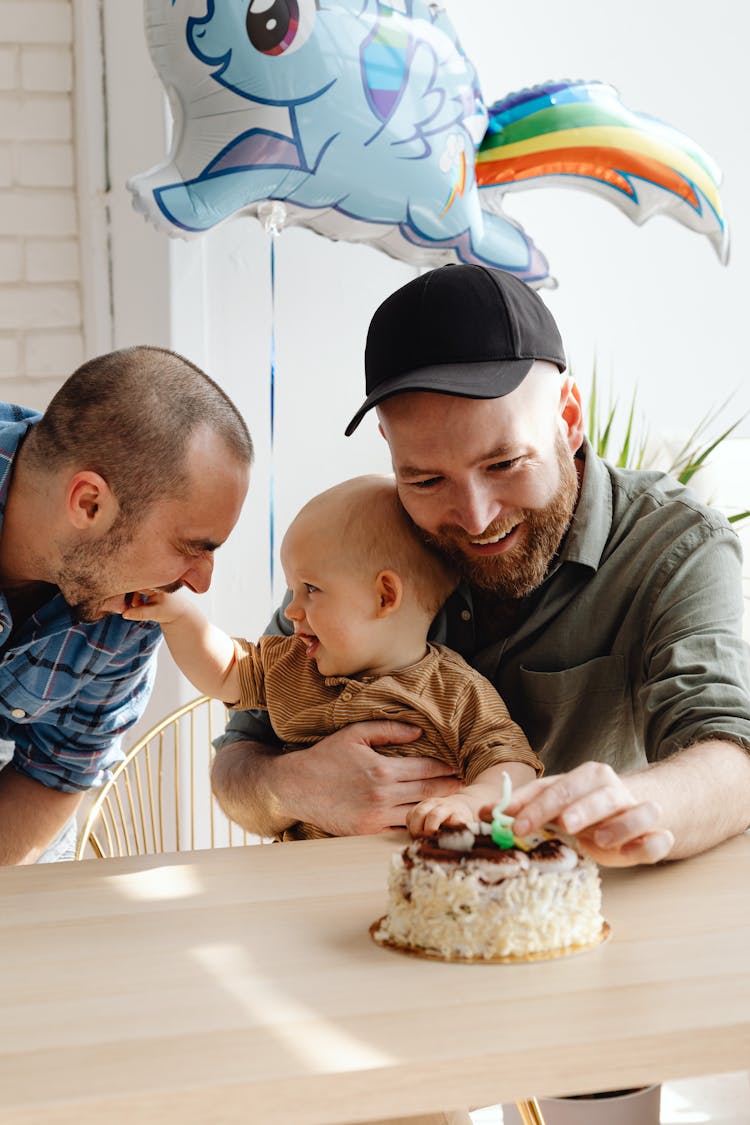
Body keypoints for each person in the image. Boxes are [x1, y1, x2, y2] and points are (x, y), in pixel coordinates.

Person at [211, 263, 750, 870]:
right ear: (390, 453)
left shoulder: (674, 546)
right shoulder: (358, 543)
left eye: (504, 464)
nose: (473, 517)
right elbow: (237, 764)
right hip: (355, 916)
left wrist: (631, 803)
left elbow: (731, 757)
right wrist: (293, 786)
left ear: (568, 419)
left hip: (577, 912)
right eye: (427, 478)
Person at [124, 474, 543, 840]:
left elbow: (512, 763)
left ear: (384, 596)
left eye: (310, 589)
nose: (291, 610)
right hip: (306, 881)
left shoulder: (455, 691)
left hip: (413, 879)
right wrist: (179, 617)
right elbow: (226, 670)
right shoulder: (296, 664)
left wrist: (471, 804)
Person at [0, 345, 252, 866]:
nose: (200, 584)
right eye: (191, 546)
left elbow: (56, 771)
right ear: (89, 503)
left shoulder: (131, 602)